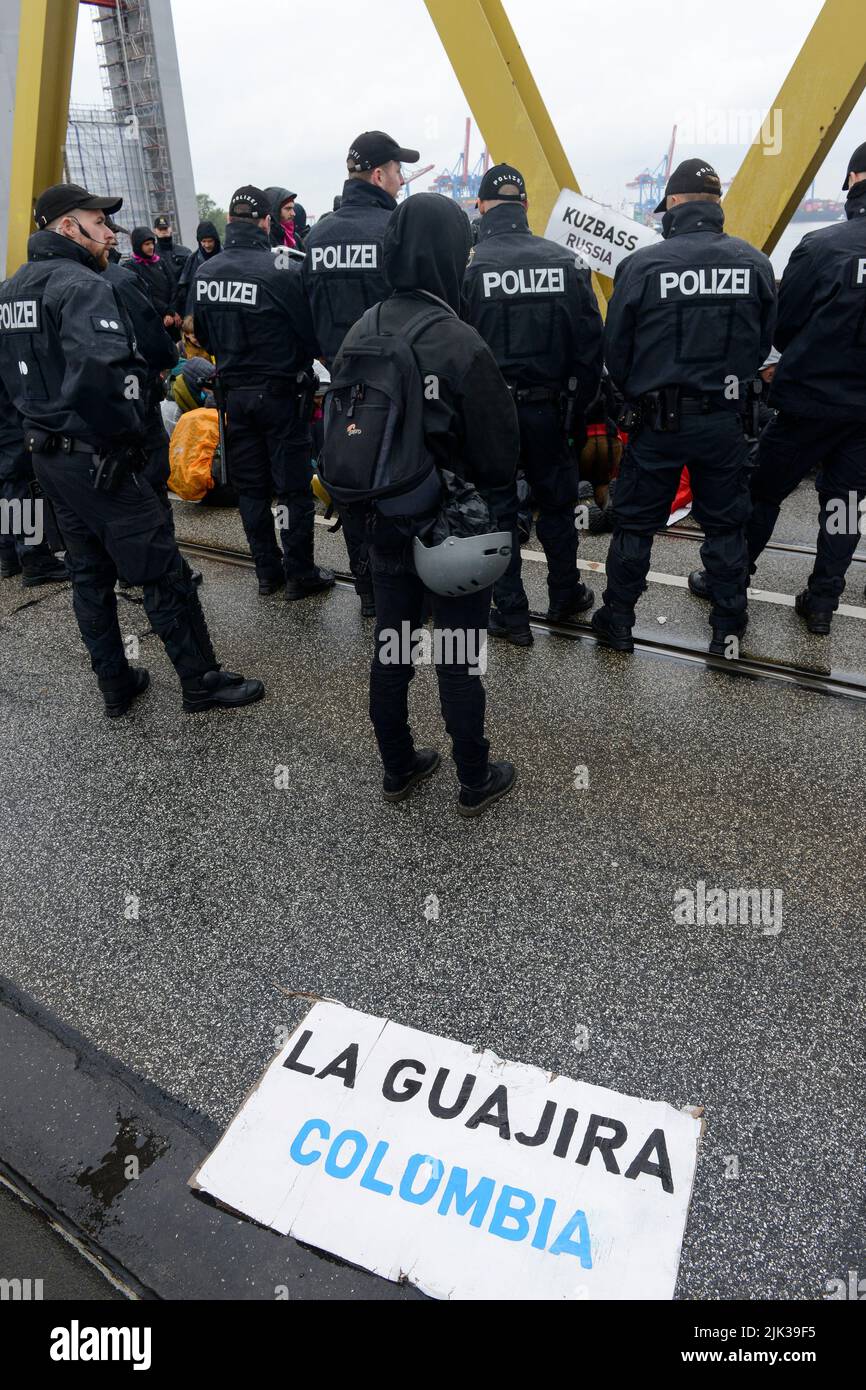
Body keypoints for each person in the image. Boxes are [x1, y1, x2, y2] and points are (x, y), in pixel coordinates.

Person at [0, 182, 263, 716]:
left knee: (89, 573)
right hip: (100, 458)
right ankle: (200, 680)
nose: (109, 235)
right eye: (99, 224)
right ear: (67, 226)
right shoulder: (79, 286)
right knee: (161, 569)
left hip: (49, 456)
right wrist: (122, 439)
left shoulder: (11, 291)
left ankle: (116, 685)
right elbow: (101, 371)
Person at [333, 192, 520, 816]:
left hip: (380, 516)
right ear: (449, 254)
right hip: (450, 530)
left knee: (393, 644)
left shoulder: (363, 327)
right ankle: (474, 775)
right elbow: (498, 454)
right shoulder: (458, 338)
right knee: (458, 655)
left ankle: (397, 767)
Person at [593, 158, 776, 655]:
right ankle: (728, 629)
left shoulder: (642, 266)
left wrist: (640, 396)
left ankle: (618, 621)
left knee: (635, 523)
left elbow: (616, 352)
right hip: (724, 420)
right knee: (725, 525)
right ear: (716, 206)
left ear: (673, 204)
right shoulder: (754, 263)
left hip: (658, 422)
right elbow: (764, 344)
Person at [691, 142, 866, 634]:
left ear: (853, 179)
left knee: (764, 489)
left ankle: (733, 578)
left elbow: (782, 325)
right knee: (844, 504)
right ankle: (823, 601)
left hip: (810, 399)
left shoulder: (823, 245)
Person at [461, 162, 604, 644]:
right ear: (525, 207)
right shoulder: (567, 262)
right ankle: (565, 594)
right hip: (551, 409)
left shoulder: (469, 266)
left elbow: (453, 346)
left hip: (492, 414)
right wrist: (576, 409)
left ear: (482, 206)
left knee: (499, 509)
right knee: (558, 506)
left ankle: (512, 613)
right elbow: (590, 347)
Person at [193, 184, 333, 599]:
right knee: (291, 489)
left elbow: (202, 335)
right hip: (280, 395)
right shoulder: (282, 269)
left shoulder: (206, 272)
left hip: (233, 396)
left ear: (229, 222)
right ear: (266, 221)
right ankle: (299, 574)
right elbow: (310, 338)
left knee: (251, 489)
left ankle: (266, 573)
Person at [303, 131, 420, 617]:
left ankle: (370, 591)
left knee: (352, 487)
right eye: (397, 171)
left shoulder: (317, 237)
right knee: (403, 483)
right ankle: (406, 590)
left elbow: (304, 315)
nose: (401, 179)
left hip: (340, 386)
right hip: (398, 387)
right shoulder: (396, 230)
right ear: (378, 175)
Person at [0, 371, 67, 585]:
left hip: (4, 422)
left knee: (7, 488)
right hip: (10, 422)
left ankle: (9, 552)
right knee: (21, 488)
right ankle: (34, 558)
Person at [124, 227, 181, 336]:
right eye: (147, 244)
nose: (151, 247)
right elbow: (145, 293)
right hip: (154, 320)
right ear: (138, 245)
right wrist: (166, 311)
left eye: (152, 243)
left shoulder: (160, 262)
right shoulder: (132, 267)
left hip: (173, 316)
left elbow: (173, 285)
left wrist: (173, 311)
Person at [174, 220, 223, 316]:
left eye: (210, 241)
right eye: (203, 241)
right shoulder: (192, 260)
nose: (207, 245)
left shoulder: (225, 257)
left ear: (215, 240)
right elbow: (186, 290)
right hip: (199, 311)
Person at [264, 187, 302, 254]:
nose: (293, 213)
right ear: (274, 210)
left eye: (293, 208)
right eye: (288, 209)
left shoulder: (295, 238)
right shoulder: (264, 239)